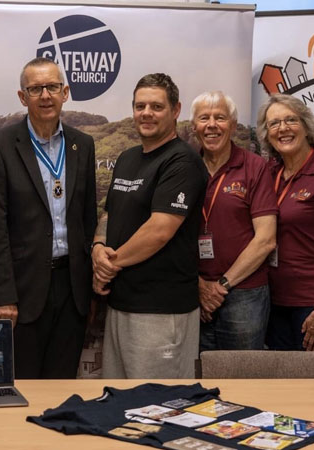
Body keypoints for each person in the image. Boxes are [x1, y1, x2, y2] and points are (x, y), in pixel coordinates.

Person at [0, 57, 97, 379]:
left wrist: (87, 291)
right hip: (23, 291)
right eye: (35, 89)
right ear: (22, 97)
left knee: (62, 386)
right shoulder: (0, 145)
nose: (45, 95)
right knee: (24, 384)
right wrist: (4, 296)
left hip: (71, 289)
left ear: (65, 92)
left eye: (52, 87)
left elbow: (88, 220)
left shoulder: (82, 145)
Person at [92, 73, 208, 379]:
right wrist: (98, 248)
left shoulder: (183, 162)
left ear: (175, 110)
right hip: (120, 304)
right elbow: (109, 214)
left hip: (162, 310)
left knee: (159, 410)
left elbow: (159, 230)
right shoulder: (128, 158)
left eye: (156, 106)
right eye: (140, 105)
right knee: (120, 404)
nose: (146, 113)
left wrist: (109, 266)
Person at [257, 93, 314, 378]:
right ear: (267, 135)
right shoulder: (269, 173)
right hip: (274, 302)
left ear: (306, 126)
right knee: (283, 393)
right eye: (274, 124)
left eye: (290, 120)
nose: (283, 128)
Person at [190, 91, 278, 351]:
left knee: (241, 378)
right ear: (194, 126)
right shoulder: (184, 166)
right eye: (204, 118)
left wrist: (220, 287)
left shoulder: (254, 167)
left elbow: (266, 239)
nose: (212, 125)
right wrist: (200, 287)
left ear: (234, 125)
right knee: (199, 379)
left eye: (220, 117)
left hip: (244, 293)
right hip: (194, 291)